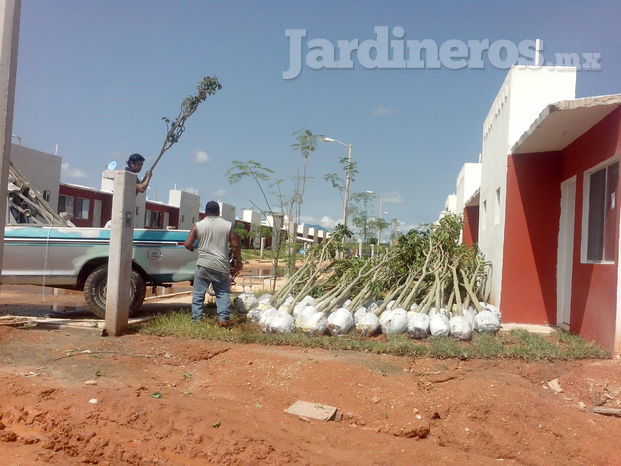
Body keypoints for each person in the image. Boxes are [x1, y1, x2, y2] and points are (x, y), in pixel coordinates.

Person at [184, 201, 243, 326]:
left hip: (203, 265)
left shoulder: (198, 225)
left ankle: (197, 320)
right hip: (221, 265)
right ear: (218, 213)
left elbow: (187, 244)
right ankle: (223, 319)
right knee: (222, 292)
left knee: (199, 293)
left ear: (205, 212)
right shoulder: (227, 225)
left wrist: (193, 248)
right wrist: (239, 261)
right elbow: (235, 246)